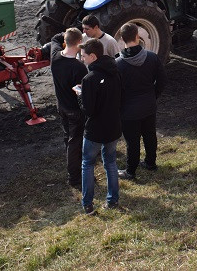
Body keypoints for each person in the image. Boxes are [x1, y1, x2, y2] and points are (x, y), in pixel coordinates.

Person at [115, 22, 166, 181]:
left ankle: (130, 171)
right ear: (137, 36)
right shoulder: (152, 57)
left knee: (132, 141)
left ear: (122, 39)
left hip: (128, 111)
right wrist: (153, 95)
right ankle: (151, 163)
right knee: (150, 135)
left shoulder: (118, 64)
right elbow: (162, 80)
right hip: (149, 105)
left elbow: (115, 90)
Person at [79, 38, 122, 214]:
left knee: (87, 164)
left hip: (95, 130)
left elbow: (89, 110)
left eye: (83, 56)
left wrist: (80, 95)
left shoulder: (89, 79)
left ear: (93, 56)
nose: (82, 59)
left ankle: (88, 204)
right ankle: (113, 200)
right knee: (110, 162)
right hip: (113, 126)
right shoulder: (116, 71)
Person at [49, 28, 88, 187]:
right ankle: (75, 178)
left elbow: (54, 38)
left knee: (68, 138)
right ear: (79, 42)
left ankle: (73, 165)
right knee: (75, 143)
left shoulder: (55, 57)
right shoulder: (79, 68)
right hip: (74, 111)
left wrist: (66, 33)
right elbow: (82, 94)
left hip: (61, 106)